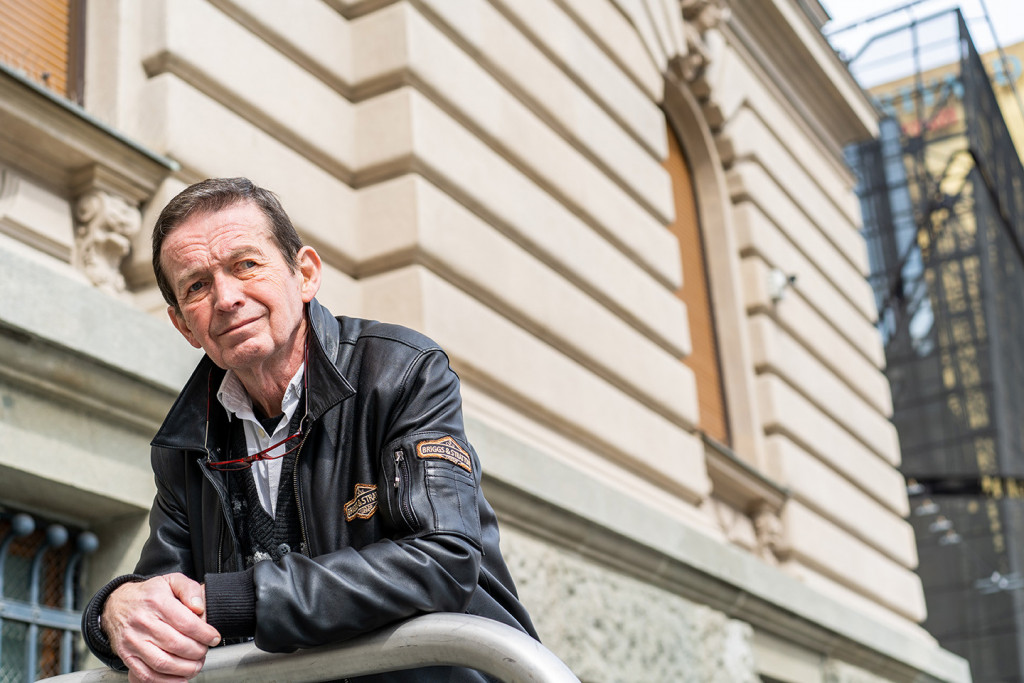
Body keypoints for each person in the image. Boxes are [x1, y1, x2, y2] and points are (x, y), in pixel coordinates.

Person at [82, 177, 537, 683]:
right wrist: (112, 612)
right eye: (197, 286)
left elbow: (443, 558)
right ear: (183, 325)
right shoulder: (187, 442)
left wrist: (243, 600)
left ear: (305, 275)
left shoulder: (402, 373)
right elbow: (162, 600)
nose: (227, 297)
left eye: (246, 265)